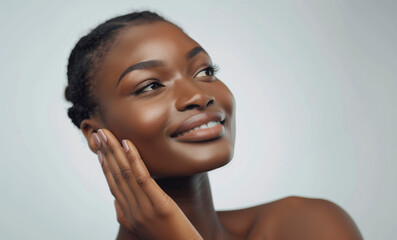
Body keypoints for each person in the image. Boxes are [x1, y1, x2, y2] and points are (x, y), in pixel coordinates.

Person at [64, 10, 363, 240]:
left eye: (205, 71)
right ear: (94, 134)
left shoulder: (304, 225)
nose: (198, 94)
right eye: (151, 86)